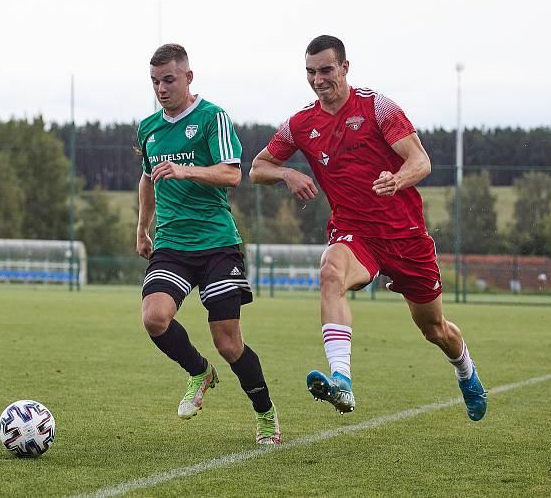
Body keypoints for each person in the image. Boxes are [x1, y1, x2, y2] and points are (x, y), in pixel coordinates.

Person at [249, 35, 487, 421]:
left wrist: (397, 179)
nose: (318, 79)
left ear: (345, 67)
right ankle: (341, 379)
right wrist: (288, 173)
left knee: (434, 329)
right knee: (330, 272)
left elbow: (421, 161)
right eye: (310, 72)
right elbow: (257, 168)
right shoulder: (300, 124)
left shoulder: (378, 107)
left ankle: (466, 371)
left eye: (326, 70)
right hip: (354, 234)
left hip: (406, 237)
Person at [136, 43, 281, 444]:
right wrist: (141, 227)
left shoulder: (212, 117)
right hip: (172, 245)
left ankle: (265, 413)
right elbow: (148, 179)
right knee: (154, 317)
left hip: (217, 244)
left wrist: (186, 171)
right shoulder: (148, 128)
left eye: (168, 80)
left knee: (228, 342)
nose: (161, 89)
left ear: (188, 77)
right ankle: (198, 372)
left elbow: (233, 175)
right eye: (154, 82)